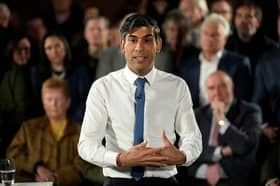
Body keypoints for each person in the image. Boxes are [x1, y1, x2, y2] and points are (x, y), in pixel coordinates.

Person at [78, 14, 202, 186]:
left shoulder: (177, 86)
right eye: (133, 40)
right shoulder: (102, 88)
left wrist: (183, 156)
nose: (139, 48)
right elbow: (86, 144)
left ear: (158, 45)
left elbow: (193, 137)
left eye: (147, 40)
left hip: (164, 181)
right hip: (118, 180)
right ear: (122, 45)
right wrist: (120, 159)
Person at [183, 71, 262, 186]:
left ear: (232, 87)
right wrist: (221, 152)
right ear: (206, 92)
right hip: (195, 178)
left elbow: (244, 146)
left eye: (223, 86)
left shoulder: (250, 112)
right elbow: (189, 151)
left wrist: (221, 119)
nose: (217, 92)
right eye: (211, 88)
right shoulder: (198, 114)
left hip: (231, 179)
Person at [6, 77, 82, 186]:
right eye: (49, 99)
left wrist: (55, 178)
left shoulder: (79, 132)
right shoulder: (28, 128)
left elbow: (82, 165)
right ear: (43, 101)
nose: (53, 104)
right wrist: (36, 167)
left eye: (58, 99)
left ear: (68, 102)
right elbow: (12, 156)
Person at [179, 13, 252, 108]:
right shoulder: (188, 66)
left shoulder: (239, 64)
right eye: (206, 34)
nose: (209, 39)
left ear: (225, 39)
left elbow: (242, 101)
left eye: (215, 35)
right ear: (200, 36)